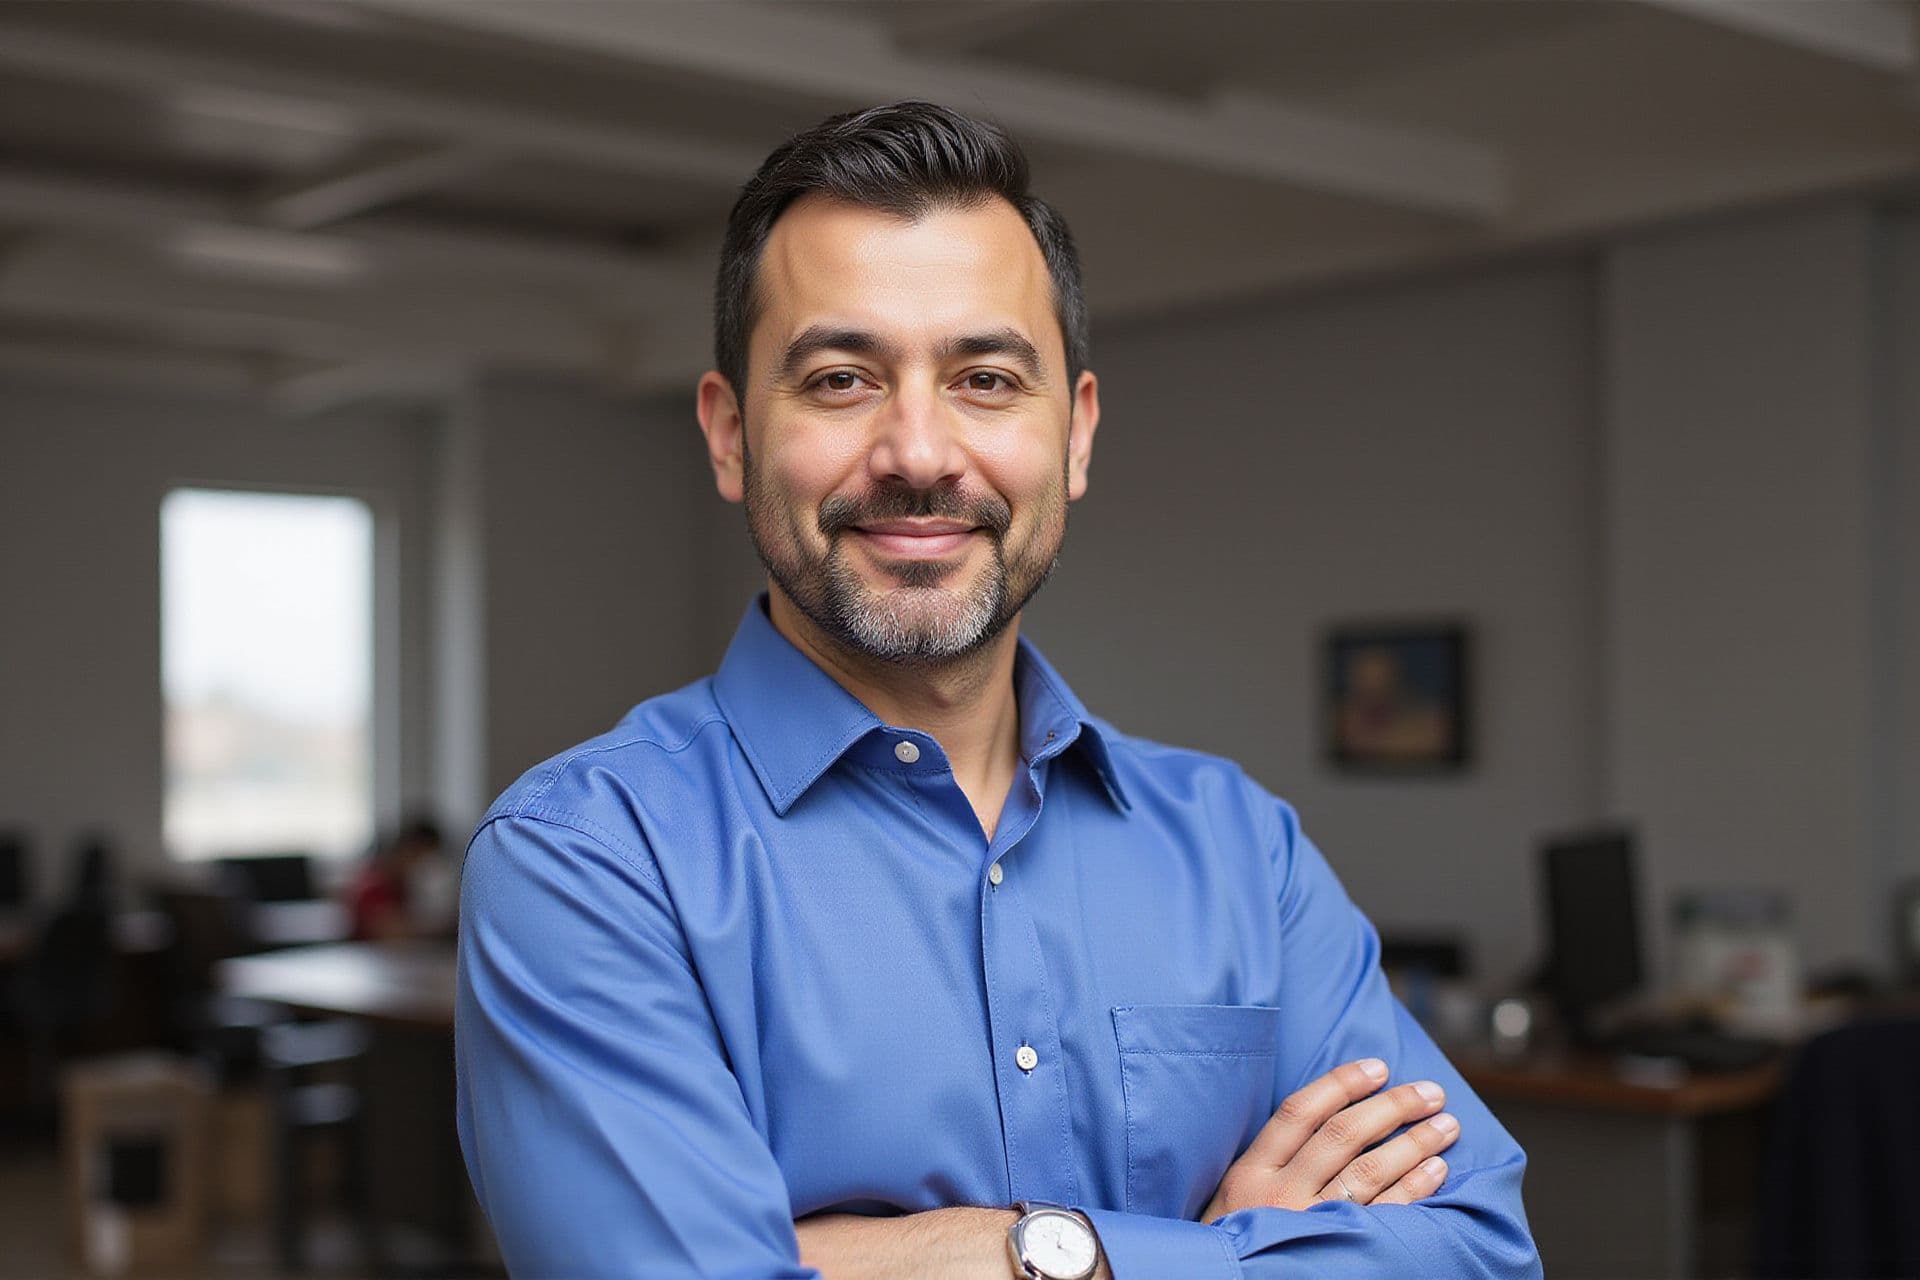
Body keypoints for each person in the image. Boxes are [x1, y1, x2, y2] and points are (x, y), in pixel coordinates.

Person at [455, 102, 1540, 1279]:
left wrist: (1027, 1255)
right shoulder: (588, 858)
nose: (920, 453)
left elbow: (1478, 1251)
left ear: (1075, 434)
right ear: (728, 435)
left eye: (984, 377)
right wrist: (1218, 1249)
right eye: (840, 379)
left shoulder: (1242, 849)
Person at [342, 817, 448, 942]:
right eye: (421, 858)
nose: (424, 867)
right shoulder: (374, 886)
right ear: (404, 851)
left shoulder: (408, 888)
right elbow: (388, 931)